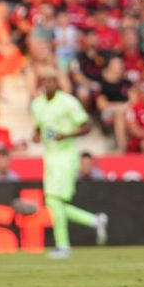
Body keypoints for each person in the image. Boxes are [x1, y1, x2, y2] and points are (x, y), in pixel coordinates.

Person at [30, 67, 108, 259]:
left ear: (57, 83)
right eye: (45, 81)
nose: (49, 84)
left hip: (66, 157)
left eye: (52, 81)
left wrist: (66, 135)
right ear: (41, 84)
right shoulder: (37, 105)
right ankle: (94, 220)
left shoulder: (68, 102)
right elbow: (38, 130)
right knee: (53, 202)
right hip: (49, 157)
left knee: (53, 200)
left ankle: (63, 246)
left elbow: (87, 125)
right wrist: (35, 137)